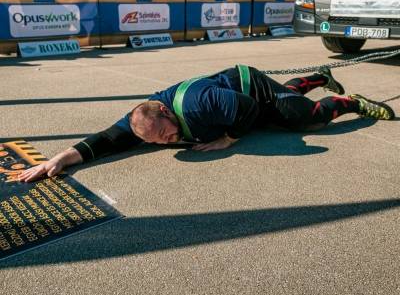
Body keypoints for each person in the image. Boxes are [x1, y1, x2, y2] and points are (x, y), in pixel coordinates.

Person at [18, 65, 395, 183]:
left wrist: (229, 138)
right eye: (156, 142)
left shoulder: (198, 105)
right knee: (290, 99)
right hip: (229, 98)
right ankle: (320, 76)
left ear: (166, 112)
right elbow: (108, 139)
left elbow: (247, 107)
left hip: (250, 90)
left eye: (165, 135)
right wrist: (61, 158)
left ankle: (350, 102)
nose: (166, 142)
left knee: (304, 120)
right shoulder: (144, 120)